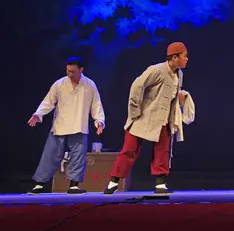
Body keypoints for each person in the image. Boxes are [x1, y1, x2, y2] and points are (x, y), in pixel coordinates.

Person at [104, 42, 195, 195]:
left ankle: (160, 184)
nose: (187, 59)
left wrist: (180, 99)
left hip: (163, 119)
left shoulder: (179, 74)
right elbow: (137, 86)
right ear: (175, 57)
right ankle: (113, 182)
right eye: (185, 56)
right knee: (129, 150)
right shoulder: (157, 70)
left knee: (163, 151)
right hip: (144, 117)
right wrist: (135, 112)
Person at [27, 57, 105, 195]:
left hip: (79, 125)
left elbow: (96, 104)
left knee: (78, 157)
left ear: (81, 70)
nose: (70, 74)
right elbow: (48, 102)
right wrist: (38, 114)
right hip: (60, 125)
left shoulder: (89, 85)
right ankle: (39, 184)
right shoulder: (59, 84)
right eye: (68, 71)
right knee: (50, 155)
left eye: (73, 71)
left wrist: (99, 121)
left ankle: (74, 185)